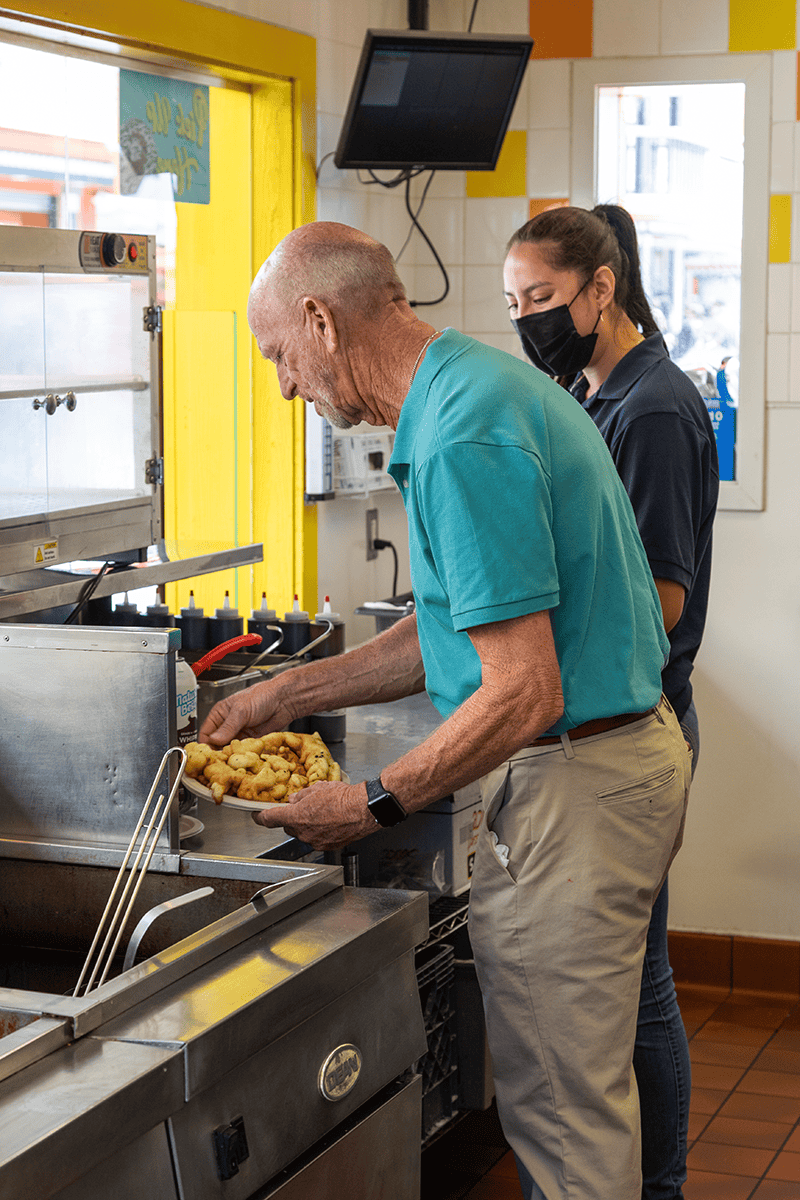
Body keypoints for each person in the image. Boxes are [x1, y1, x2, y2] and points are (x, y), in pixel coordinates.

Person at [200, 220, 692, 1200]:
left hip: (575, 788)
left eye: (279, 359)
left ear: (318, 320)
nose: (288, 387)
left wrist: (373, 800)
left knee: (560, 1111)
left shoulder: (462, 429)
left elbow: (522, 688)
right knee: (568, 1099)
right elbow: (449, 634)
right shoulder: (464, 391)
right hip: (605, 770)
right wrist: (287, 691)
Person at [504, 204, 719, 1200]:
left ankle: (659, 1185)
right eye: (513, 304)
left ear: (604, 288)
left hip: (634, 729)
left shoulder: (654, 408)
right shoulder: (593, 396)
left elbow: (659, 596)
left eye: (541, 299)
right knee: (632, 989)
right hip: (602, 730)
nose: (527, 321)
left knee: (639, 998)